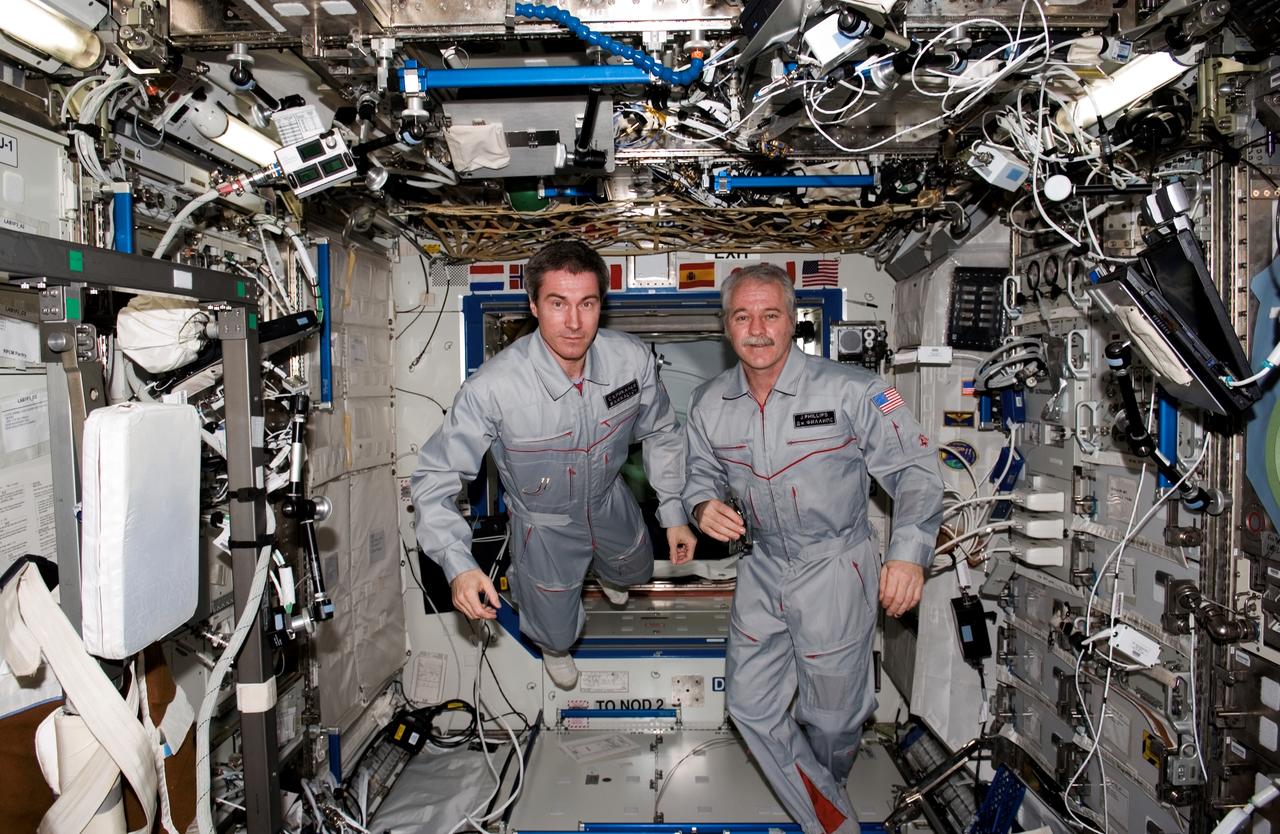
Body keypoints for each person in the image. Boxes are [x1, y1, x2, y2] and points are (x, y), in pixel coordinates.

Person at [683, 263, 943, 834]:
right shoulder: (707, 404)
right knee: (748, 705)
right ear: (726, 326)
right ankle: (831, 818)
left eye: (770, 315)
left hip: (834, 564)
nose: (757, 329)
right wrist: (701, 506)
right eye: (742, 316)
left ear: (793, 321)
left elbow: (919, 471)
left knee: (832, 721)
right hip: (763, 564)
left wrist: (908, 553)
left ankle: (825, 798)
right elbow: (698, 473)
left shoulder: (861, 390)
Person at [410, 239, 698, 689]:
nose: (574, 322)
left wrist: (675, 510)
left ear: (602, 304)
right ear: (533, 304)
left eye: (587, 303)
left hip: (607, 499)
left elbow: (662, 430)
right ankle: (553, 645)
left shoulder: (631, 360)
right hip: (544, 525)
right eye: (558, 303)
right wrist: (459, 564)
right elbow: (434, 479)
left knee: (636, 570)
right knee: (557, 629)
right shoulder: (493, 388)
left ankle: (610, 573)